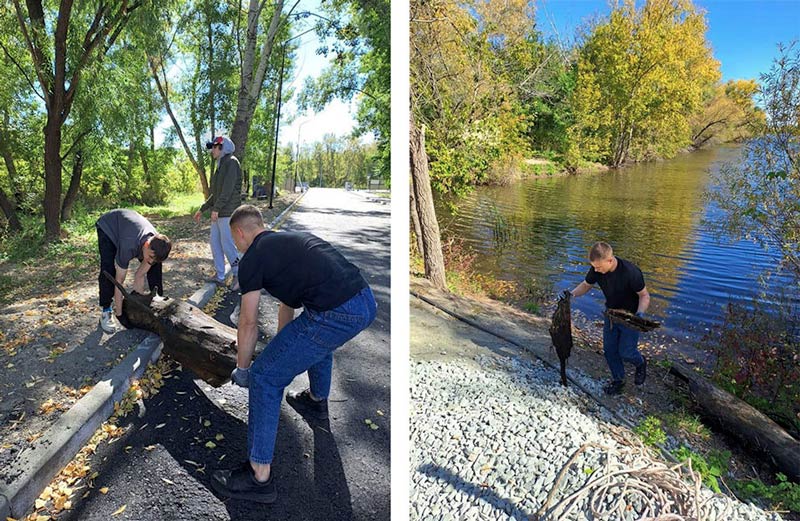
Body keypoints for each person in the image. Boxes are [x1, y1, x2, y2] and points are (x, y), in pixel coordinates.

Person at [210, 204, 377, 504]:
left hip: (337, 312)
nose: (235, 245)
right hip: (364, 301)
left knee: (265, 377)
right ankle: (316, 401)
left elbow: (248, 322)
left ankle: (258, 477)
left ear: (239, 232)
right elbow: (290, 308)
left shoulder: (252, 259)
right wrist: (284, 352)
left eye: (235, 240)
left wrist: (244, 368)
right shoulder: (287, 244)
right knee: (316, 338)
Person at [570, 242, 650, 395]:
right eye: (594, 267)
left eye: (598, 267)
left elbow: (644, 295)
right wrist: (570, 294)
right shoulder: (597, 269)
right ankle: (618, 380)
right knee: (610, 351)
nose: (595, 270)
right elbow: (586, 285)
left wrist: (639, 315)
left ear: (610, 260)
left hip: (631, 317)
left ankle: (640, 363)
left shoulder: (631, 272)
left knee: (626, 352)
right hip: (611, 315)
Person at [96, 209, 172, 334]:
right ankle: (106, 311)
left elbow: (140, 275)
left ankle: (157, 304)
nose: (150, 260)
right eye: (150, 257)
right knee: (108, 270)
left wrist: (138, 307)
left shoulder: (157, 244)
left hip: (129, 227)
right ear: (147, 245)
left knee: (155, 267)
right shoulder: (128, 246)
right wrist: (120, 315)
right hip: (108, 226)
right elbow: (119, 282)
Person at [194, 135, 242, 290]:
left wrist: (216, 209)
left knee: (227, 244)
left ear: (222, 148)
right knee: (215, 243)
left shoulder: (232, 163)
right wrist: (203, 208)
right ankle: (220, 275)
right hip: (219, 211)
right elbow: (216, 193)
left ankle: (238, 274)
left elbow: (227, 191)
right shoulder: (221, 165)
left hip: (227, 212)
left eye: (214, 147)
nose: (212, 150)